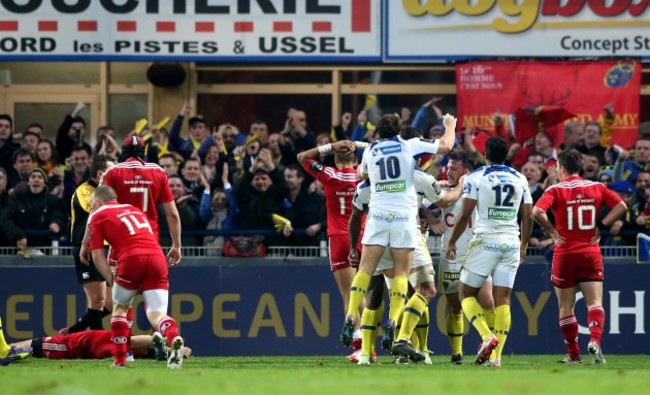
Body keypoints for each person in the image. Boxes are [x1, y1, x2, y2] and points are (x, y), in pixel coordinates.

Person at [340, 113, 456, 358]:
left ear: (379, 132)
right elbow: (446, 146)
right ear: (398, 130)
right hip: (403, 216)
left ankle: (352, 314)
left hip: (378, 215)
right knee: (402, 273)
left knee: (364, 271)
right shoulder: (408, 144)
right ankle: (394, 321)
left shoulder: (371, 149)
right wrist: (450, 126)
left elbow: (362, 175)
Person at [532, 149, 627, 364]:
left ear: (562, 168)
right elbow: (621, 206)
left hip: (565, 253)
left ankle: (574, 355)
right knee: (594, 302)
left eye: (557, 166)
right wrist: (601, 226)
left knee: (566, 307)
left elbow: (537, 212)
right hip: (590, 251)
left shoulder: (555, 190)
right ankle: (595, 341)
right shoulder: (597, 187)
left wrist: (552, 231)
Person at [446, 136, 533, 367]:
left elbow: (465, 215)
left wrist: (452, 242)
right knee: (503, 299)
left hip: (486, 240)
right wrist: (524, 244)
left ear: (485, 154)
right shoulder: (520, 178)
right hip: (511, 242)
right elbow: (527, 216)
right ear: (506, 155)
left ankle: (487, 336)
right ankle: (496, 359)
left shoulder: (476, 177)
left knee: (465, 294)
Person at [86, 185, 184, 368]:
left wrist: (111, 279)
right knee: (157, 314)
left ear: (98, 202)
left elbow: (97, 255)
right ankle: (173, 336)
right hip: (157, 257)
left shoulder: (97, 215)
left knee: (120, 309)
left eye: (92, 204)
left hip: (131, 258)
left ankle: (121, 360)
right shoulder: (134, 210)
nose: (92, 208)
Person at [297, 139, 363, 357]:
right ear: (356, 160)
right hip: (363, 238)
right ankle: (369, 342)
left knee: (348, 294)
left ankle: (359, 346)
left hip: (339, 238)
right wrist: (360, 144)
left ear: (336, 159)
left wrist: (330, 146)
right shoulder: (364, 176)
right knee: (363, 293)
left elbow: (302, 157)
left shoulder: (329, 175)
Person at [433, 152, 495, 365]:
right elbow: (421, 201)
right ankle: (457, 354)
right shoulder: (442, 190)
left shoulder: (478, 188)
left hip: (477, 253)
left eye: (454, 168)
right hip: (451, 256)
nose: (449, 172)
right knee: (454, 306)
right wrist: (430, 218)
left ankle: (489, 344)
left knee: (487, 300)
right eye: (448, 168)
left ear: (466, 172)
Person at [95, 135, 181, 260]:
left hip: (122, 245)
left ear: (124, 152)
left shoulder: (112, 172)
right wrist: (177, 246)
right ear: (143, 151)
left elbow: (98, 210)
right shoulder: (158, 172)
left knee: (118, 279)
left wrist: (89, 243)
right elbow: (172, 214)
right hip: (151, 244)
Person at [65, 155, 115, 334]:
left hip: (107, 249)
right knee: (98, 301)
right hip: (86, 248)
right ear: (101, 174)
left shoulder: (110, 192)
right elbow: (98, 211)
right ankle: (98, 346)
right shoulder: (84, 191)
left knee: (113, 302)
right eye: (112, 170)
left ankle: (74, 330)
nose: (116, 174)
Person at [2, 330, 191, 363]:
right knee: (11, 350)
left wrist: (171, 352)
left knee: (11, 350)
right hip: (62, 345)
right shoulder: (116, 343)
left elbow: (138, 345)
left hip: (64, 344)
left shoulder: (118, 344)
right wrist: (171, 347)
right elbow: (134, 342)